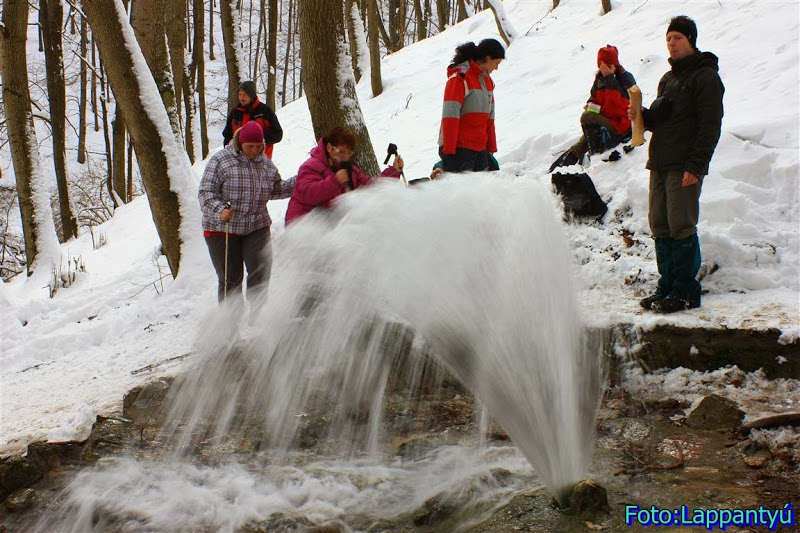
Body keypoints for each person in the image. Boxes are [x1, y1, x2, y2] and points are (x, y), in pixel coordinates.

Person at [630, 15, 724, 313]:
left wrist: (695, 166)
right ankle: (667, 285)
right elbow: (662, 122)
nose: (672, 43)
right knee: (660, 223)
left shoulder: (705, 77)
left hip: (684, 163)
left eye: (678, 38)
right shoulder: (668, 79)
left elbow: (710, 126)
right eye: (669, 38)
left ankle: (686, 291)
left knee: (681, 224)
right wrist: (641, 116)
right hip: (659, 161)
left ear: (691, 41)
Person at [200, 121, 295, 302]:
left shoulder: (265, 163)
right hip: (222, 229)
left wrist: (301, 180)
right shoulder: (221, 160)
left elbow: (276, 189)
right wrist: (220, 210)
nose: (254, 150)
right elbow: (206, 192)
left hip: (256, 226)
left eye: (259, 146)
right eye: (250, 146)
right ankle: (230, 323)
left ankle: (257, 319)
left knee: (261, 271)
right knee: (231, 279)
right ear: (240, 143)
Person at [284, 127, 404, 225]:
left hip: (329, 230)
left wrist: (393, 171)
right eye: (341, 151)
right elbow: (308, 194)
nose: (345, 156)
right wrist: (335, 182)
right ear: (329, 147)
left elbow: (369, 187)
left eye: (349, 153)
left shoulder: (349, 169)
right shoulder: (311, 166)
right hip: (302, 229)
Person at [549, 45, 636, 172]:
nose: (604, 70)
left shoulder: (625, 78)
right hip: (604, 122)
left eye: (608, 66)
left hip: (620, 125)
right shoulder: (599, 81)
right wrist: (590, 106)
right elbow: (593, 99)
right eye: (601, 67)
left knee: (586, 118)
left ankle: (595, 153)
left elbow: (625, 105)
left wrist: (610, 78)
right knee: (581, 144)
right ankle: (554, 170)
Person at [438, 38, 505, 173]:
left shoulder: (487, 82)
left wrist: (491, 148)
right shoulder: (460, 78)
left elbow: (489, 118)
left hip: (480, 149)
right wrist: (449, 151)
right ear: (487, 58)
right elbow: (450, 116)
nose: (496, 68)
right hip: (459, 149)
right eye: (496, 63)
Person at [222, 80, 283, 159]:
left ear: (251, 95)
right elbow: (227, 134)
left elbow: (277, 134)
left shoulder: (265, 111)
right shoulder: (235, 112)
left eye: (244, 94)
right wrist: (228, 150)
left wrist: (258, 142)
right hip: (238, 160)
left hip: (261, 160)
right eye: (239, 94)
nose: (241, 97)